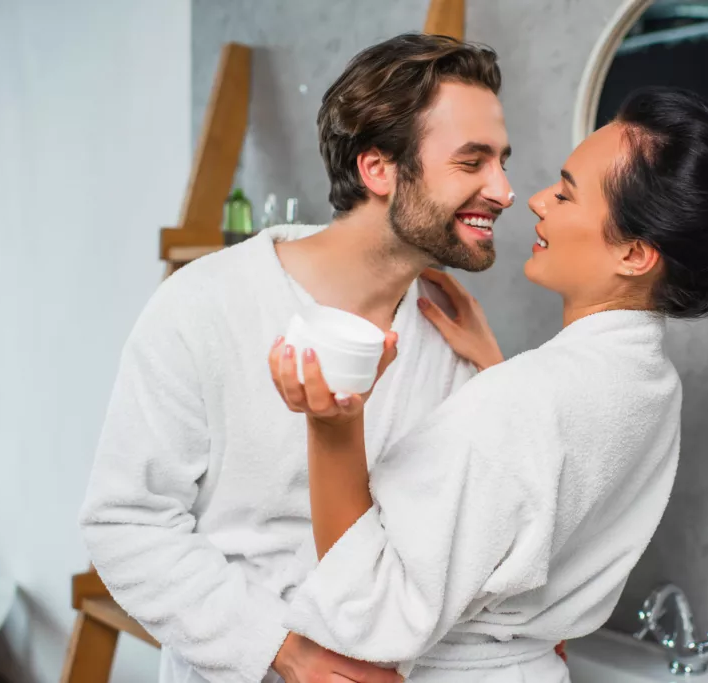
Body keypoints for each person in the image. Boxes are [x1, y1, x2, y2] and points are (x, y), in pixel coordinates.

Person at [267, 87, 708, 682]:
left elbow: (370, 607)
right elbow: (552, 482)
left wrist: (333, 427)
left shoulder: (525, 400)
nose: (535, 201)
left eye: (568, 193)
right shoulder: (650, 385)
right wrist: (499, 366)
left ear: (633, 253)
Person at [79, 33, 516, 683]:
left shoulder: (452, 335)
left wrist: (497, 376)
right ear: (378, 169)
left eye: (502, 160)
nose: (504, 190)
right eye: (472, 161)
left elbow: (469, 541)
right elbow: (126, 524)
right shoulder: (203, 306)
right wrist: (282, 650)